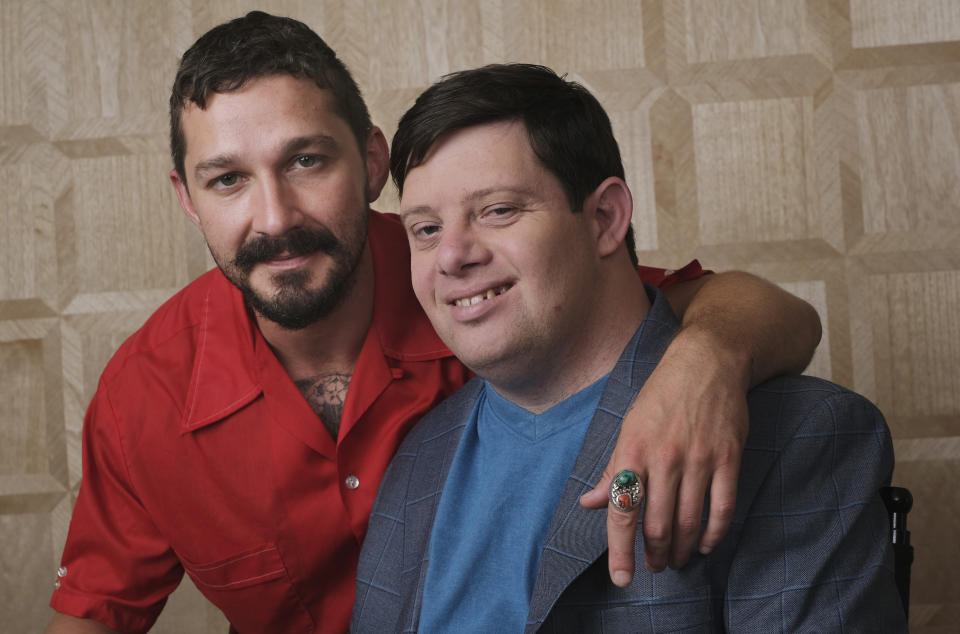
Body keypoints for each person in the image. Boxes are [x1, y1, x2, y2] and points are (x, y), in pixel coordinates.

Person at [47, 13, 821, 634]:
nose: (274, 217)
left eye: (308, 161)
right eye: (227, 180)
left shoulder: (478, 287)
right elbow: (95, 612)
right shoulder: (142, 395)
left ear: (373, 160)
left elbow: (733, 309)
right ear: (187, 197)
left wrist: (704, 364)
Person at [352, 63, 906, 632]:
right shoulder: (418, 456)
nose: (451, 256)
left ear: (605, 218)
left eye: (497, 210)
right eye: (426, 229)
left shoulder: (797, 436)